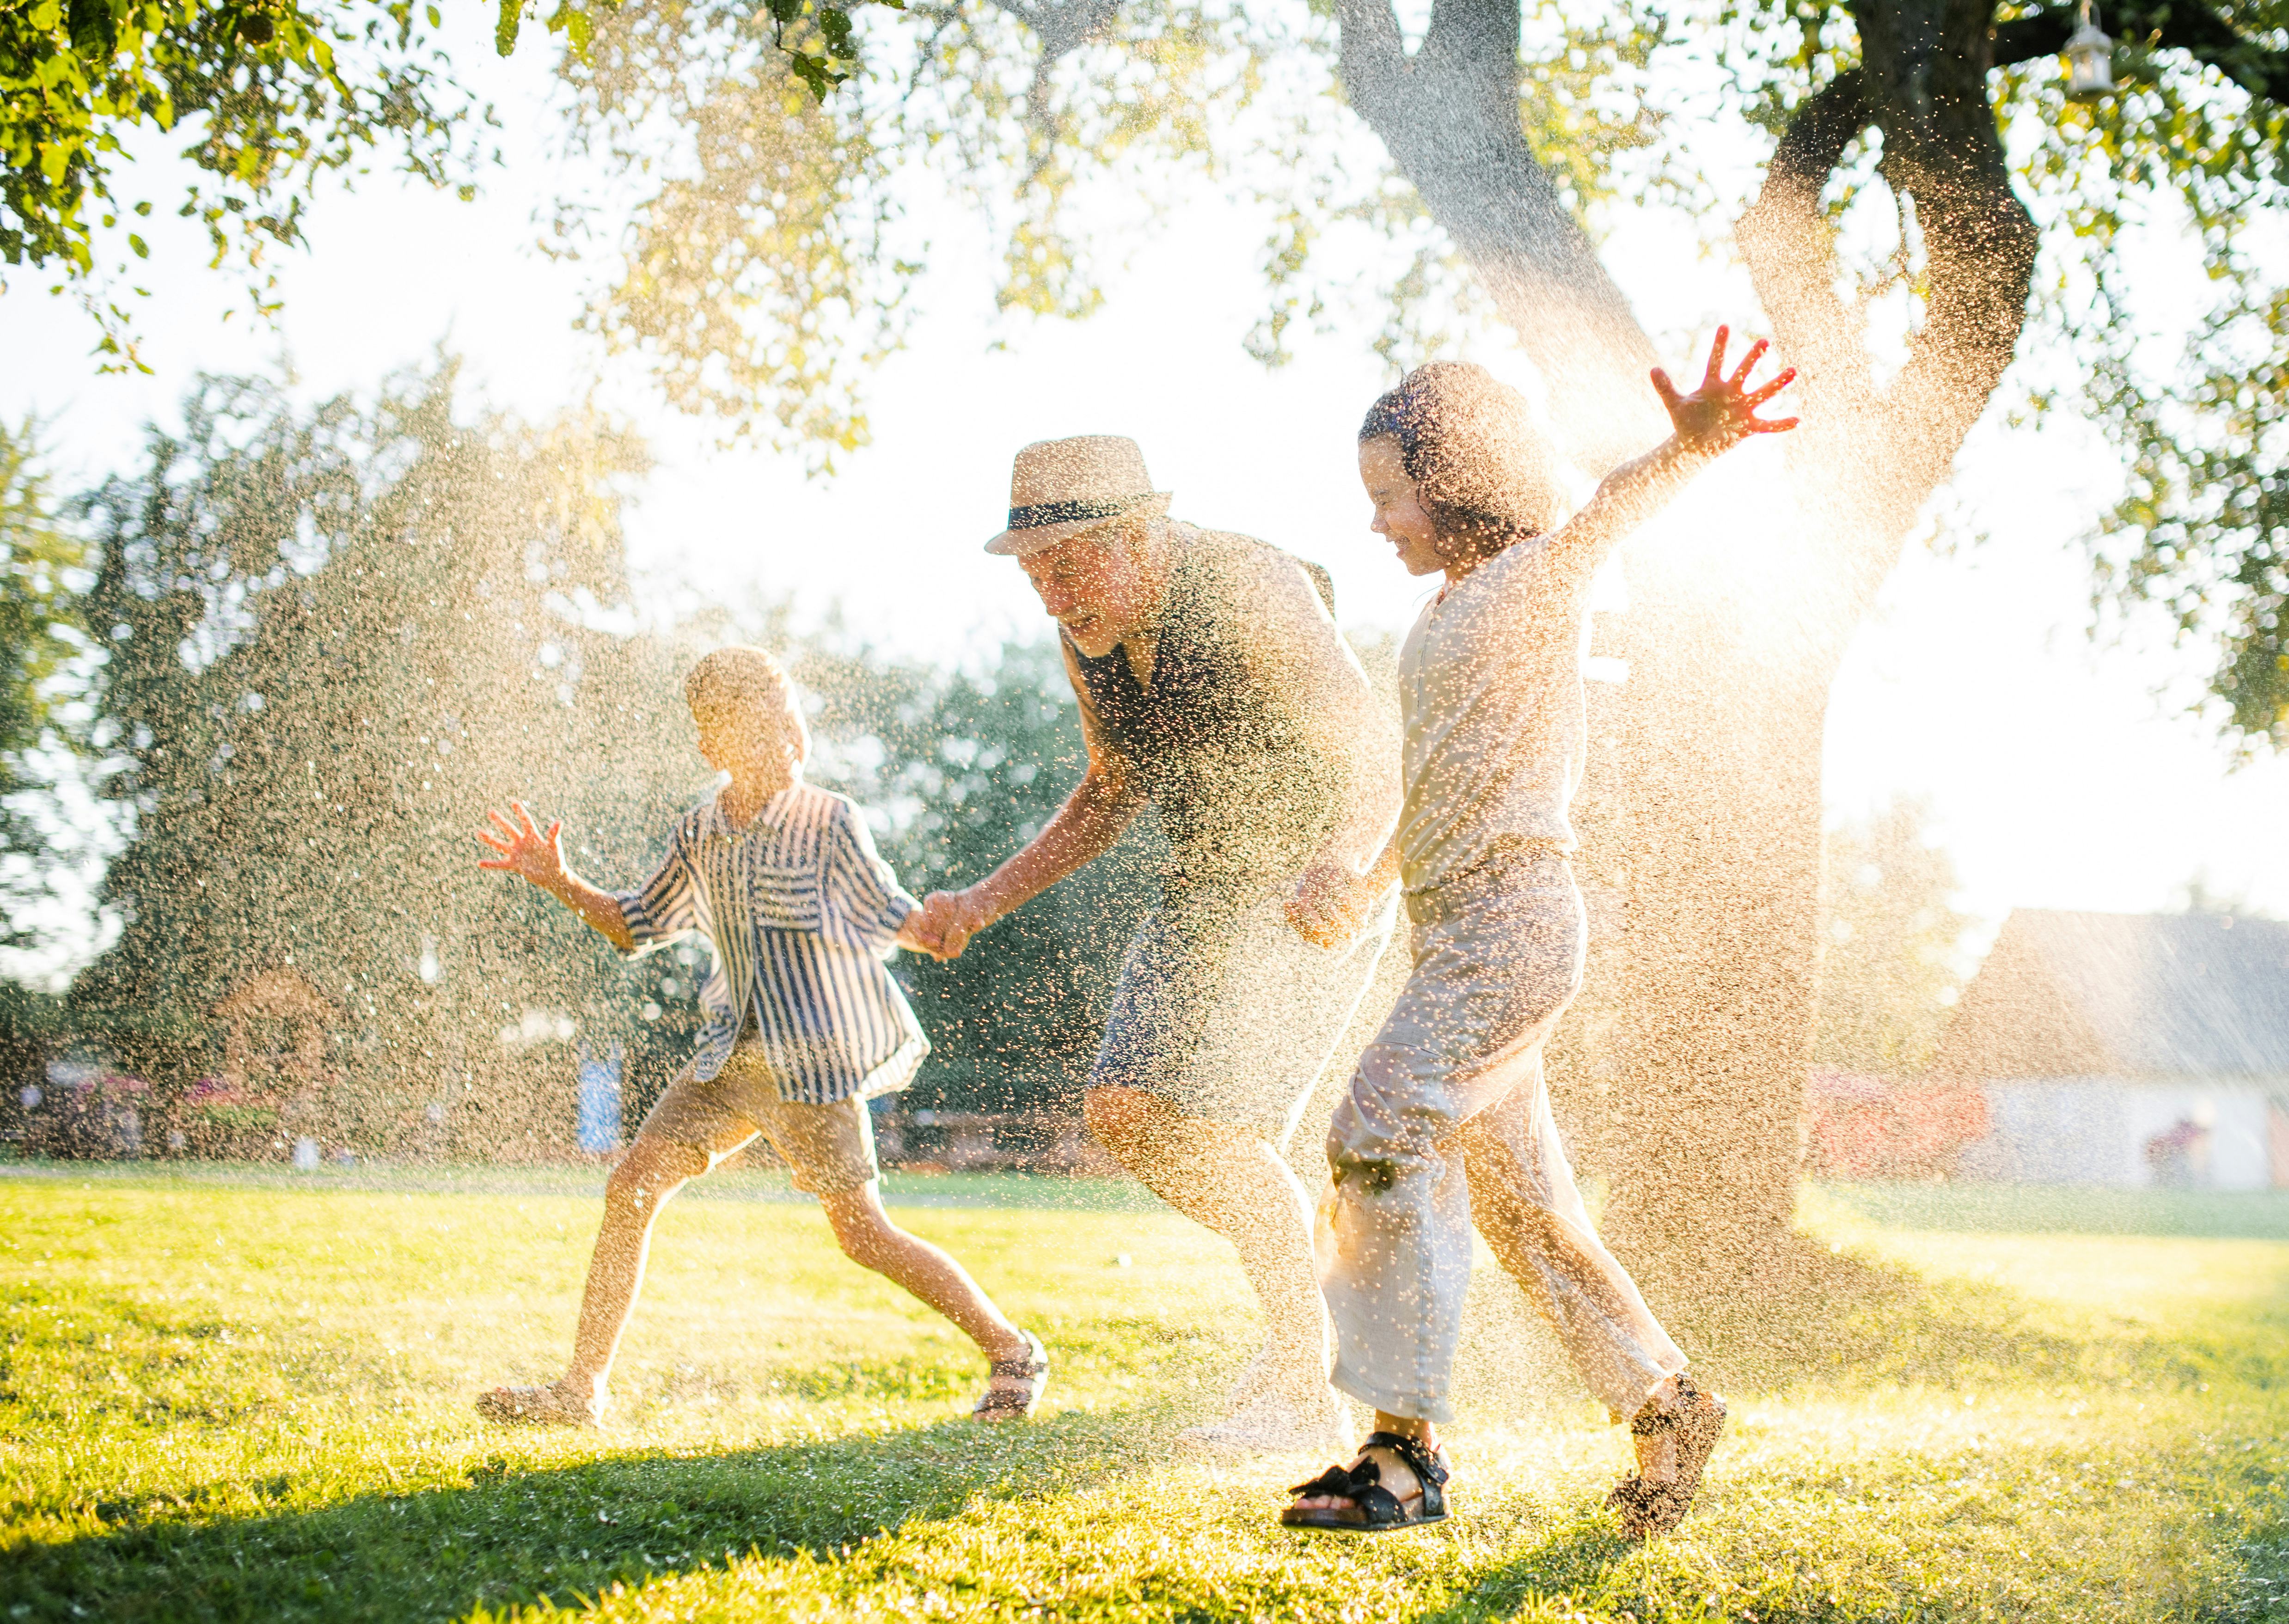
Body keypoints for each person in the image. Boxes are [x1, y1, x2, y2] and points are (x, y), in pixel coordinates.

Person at [1278, 330, 1798, 1537]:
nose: (1377, 525)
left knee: (1377, 1124)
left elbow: (1606, 514)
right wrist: (1362, 876)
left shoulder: (1531, 579)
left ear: (1453, 482)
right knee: (1524, 1214)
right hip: (1457, 934)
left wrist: (1691, 445)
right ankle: (1670, 1404)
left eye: (1387, 496)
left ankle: (1402, 1455)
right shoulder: (1439, 621)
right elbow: (1438, 786)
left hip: (1514, 928)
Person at [912, 435, 1401, 1453]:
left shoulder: (1249, 585)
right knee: (1127, 1110)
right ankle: (1309, 1319)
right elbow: (1109, 789)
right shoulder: (1087, 632)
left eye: (1072, 561)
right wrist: (980, 902)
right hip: (1207, 887)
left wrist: (1349, 862)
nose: (1052, 593)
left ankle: (1307, 1376)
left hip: (1316, 879)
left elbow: (1370, 740)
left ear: (1141, 532)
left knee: (1222, 1129)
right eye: (1035, 570)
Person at [470, 646, 1049, 1429]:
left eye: (790, 713)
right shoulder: (700, 831)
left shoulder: (830, 820)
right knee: (632, 1185)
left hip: (813, 1063)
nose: (789, 734)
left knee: (863, 1236)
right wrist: (560, 879)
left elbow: (894, 916)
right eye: (763, 723)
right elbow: (634, 925)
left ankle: (1012, 1347)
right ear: (714, 746)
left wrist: (947, 925)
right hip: (728, 1062)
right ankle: (582, 1390)